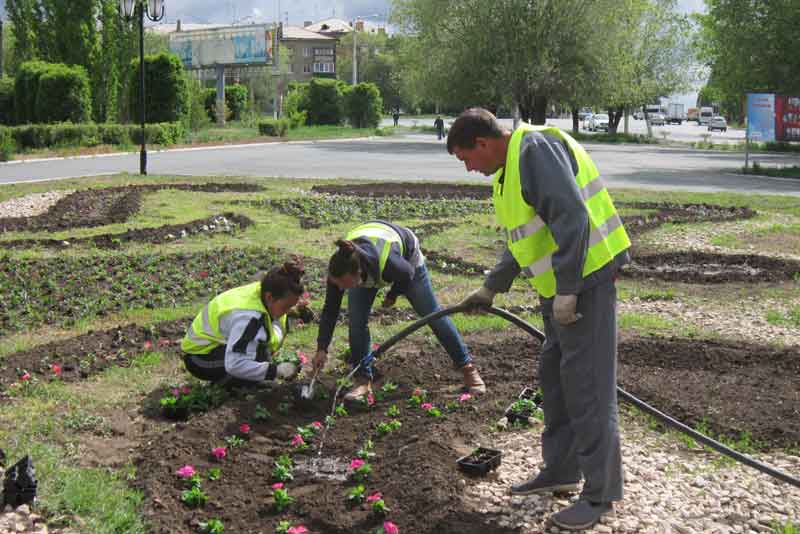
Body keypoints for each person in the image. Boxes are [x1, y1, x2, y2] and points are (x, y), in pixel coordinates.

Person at [447, 108, 630, 531]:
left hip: (586, 282)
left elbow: (573, 218)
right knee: (557, 377)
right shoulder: (509, 171)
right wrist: (492, 287)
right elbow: (523, 238)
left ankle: (601, 495)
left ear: (483, 143)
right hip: (559, 291)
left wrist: (568, 289)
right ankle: (562, 470)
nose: (469, 169)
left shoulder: (535, 151)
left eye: (466, 158)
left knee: (588, 387)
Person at [312, 220, 486, 401]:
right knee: (356, 322)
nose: (341, 288)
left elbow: (407, 274)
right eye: (338, 284)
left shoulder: (391, 264)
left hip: (407, 258)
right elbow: (330, 310)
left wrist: (393, 294)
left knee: (432, 314)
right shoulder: (340, 269)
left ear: (358, 273)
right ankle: (363, 381)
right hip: (368, 257)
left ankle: (468, 369)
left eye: (345, 284)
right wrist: (322, 348)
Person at [181, 261, 306, 387]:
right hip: (200, 357)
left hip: (217, 345)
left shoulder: (266, 289)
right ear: (269, 298)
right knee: (257, 357)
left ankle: (245, 382)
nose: (288, 311)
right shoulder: (250, 318)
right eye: (286, 307)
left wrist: (295, 312)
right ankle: (225, 387)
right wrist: (275, 371)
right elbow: (235, 364)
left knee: (259, 353)